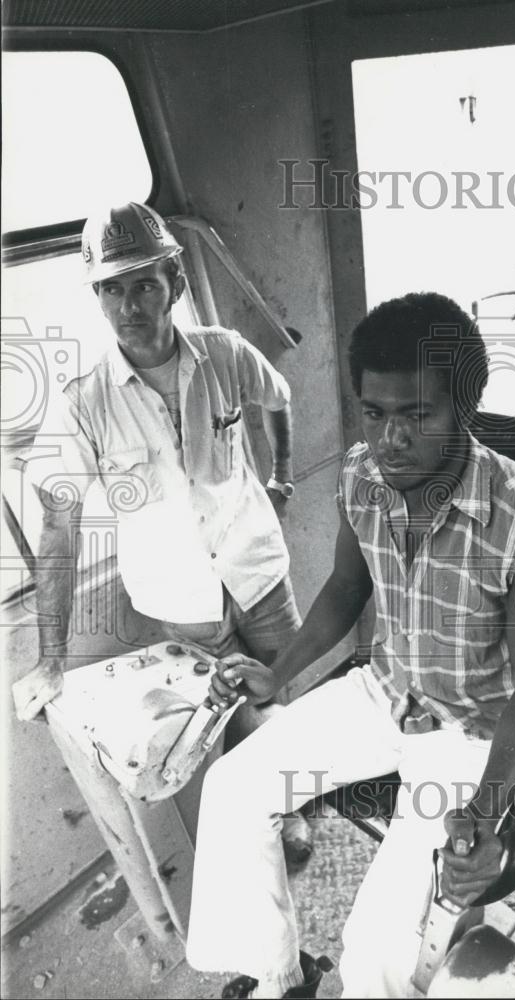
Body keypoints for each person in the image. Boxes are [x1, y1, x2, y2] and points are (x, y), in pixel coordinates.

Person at [185, 291, 515, 999]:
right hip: (385, 690)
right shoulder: (362, 475)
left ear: (464, 409)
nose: (389, 439)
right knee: (232, 787)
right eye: (375, 412)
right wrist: (278, 673)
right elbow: (342, 590)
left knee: (376, 953)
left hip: (473, 726)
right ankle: (281, 979)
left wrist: (485, 819)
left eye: (417, 415)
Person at [11, 202, 310, 852]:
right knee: (223, 719)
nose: (129, 304)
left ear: (173, 281)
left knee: (285, 687)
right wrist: (53, 659)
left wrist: (281, 478)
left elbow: (277, 402)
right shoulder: (82, 406)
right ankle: (271, 822)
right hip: (184, 607)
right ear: (97, 297)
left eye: (143, 282)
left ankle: (300, 797)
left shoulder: (226, 354)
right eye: (111, 289)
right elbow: (58, 534)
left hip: (260, 573)